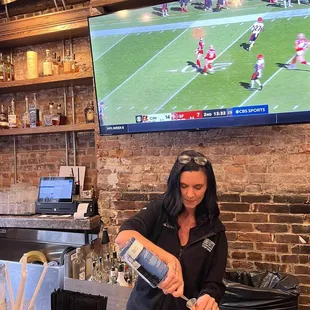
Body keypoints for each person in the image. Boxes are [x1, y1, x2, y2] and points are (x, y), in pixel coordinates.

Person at [115, 150, 228, 310]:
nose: (190, 194)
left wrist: (208, 297)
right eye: (183, 186)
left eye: (198, 187)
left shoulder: (216, 231)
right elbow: (124, 237)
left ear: (207, 188)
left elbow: (214, 283)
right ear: (175, 185)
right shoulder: (159, 211)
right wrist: (170, 260)